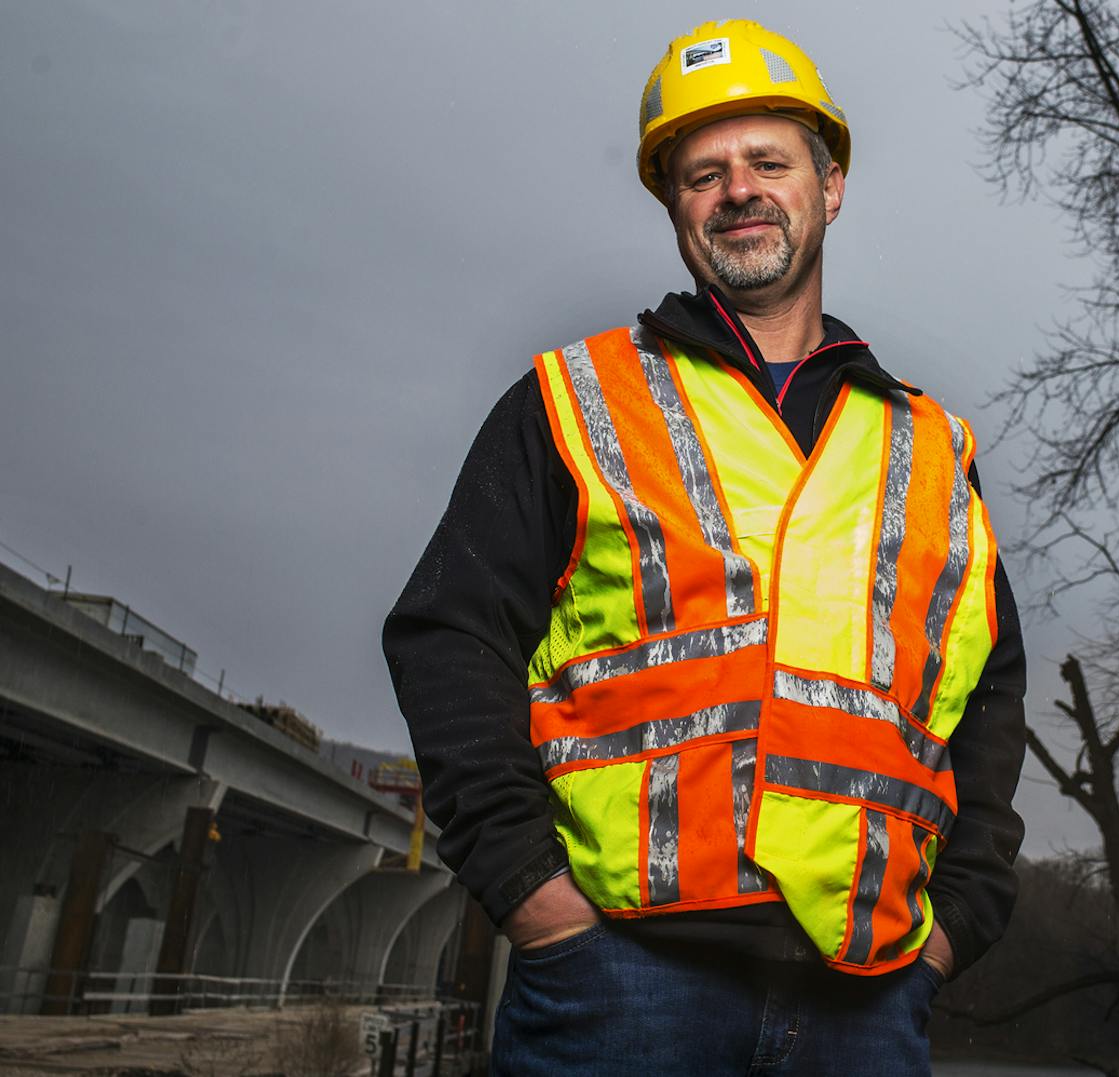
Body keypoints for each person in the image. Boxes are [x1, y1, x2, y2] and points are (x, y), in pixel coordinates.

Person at [382, 20, 1026, 1075]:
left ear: (830, 185)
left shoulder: (928, 448)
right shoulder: (573, 401)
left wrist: (955, 927)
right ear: (675, 205)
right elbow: (449, 636)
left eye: (769, 161)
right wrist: (532, 900)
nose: (739, 190)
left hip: (868, 1001)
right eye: (703, 173)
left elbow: (987, 698)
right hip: (619, 985)